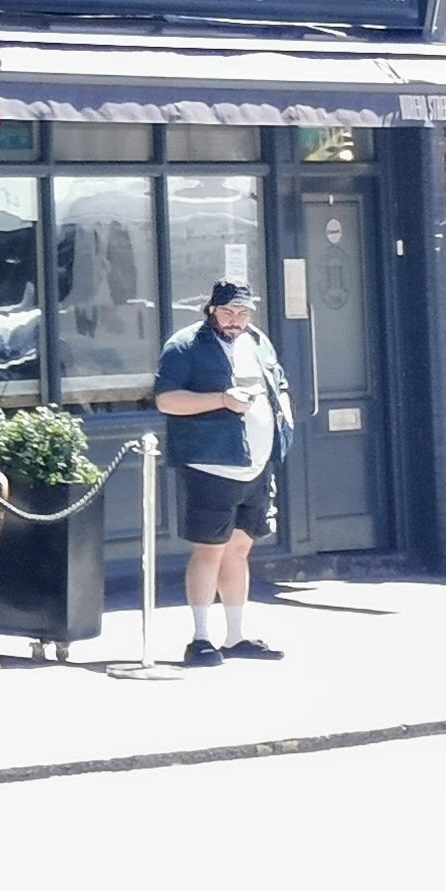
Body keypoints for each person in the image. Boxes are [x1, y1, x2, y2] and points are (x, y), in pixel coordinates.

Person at [154, 277, 295, 665]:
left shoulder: (258, 341)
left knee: (240, 548)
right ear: (211, 310)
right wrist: (220, 399)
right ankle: (200, 638)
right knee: (209, 551)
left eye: (242, 312)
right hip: (210, 463)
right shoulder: (185, 346)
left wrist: (285, 409)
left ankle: (235, 636)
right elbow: (166, 400)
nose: (235, 320)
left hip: (257, 464)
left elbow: (277, 381)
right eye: (228, 311)